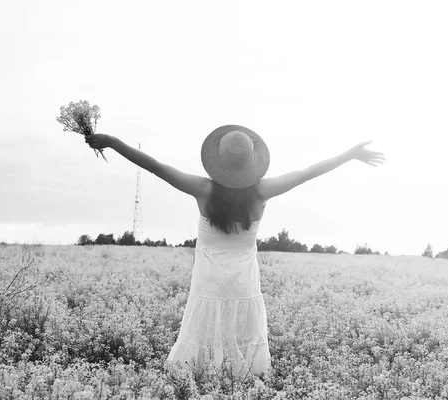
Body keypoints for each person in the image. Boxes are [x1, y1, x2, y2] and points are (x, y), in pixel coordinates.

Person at [85, 125, 385, 378]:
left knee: (205, 332)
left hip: (208, 282)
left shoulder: (203, 189)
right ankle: (240, 377)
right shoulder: (262, 191)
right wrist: (350, 155)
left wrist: (112, 142)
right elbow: (308, 172)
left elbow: (156, 167)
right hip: (243, 283)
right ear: (250, 162)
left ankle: (202, 377)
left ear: (218, 161)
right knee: (242, 335)